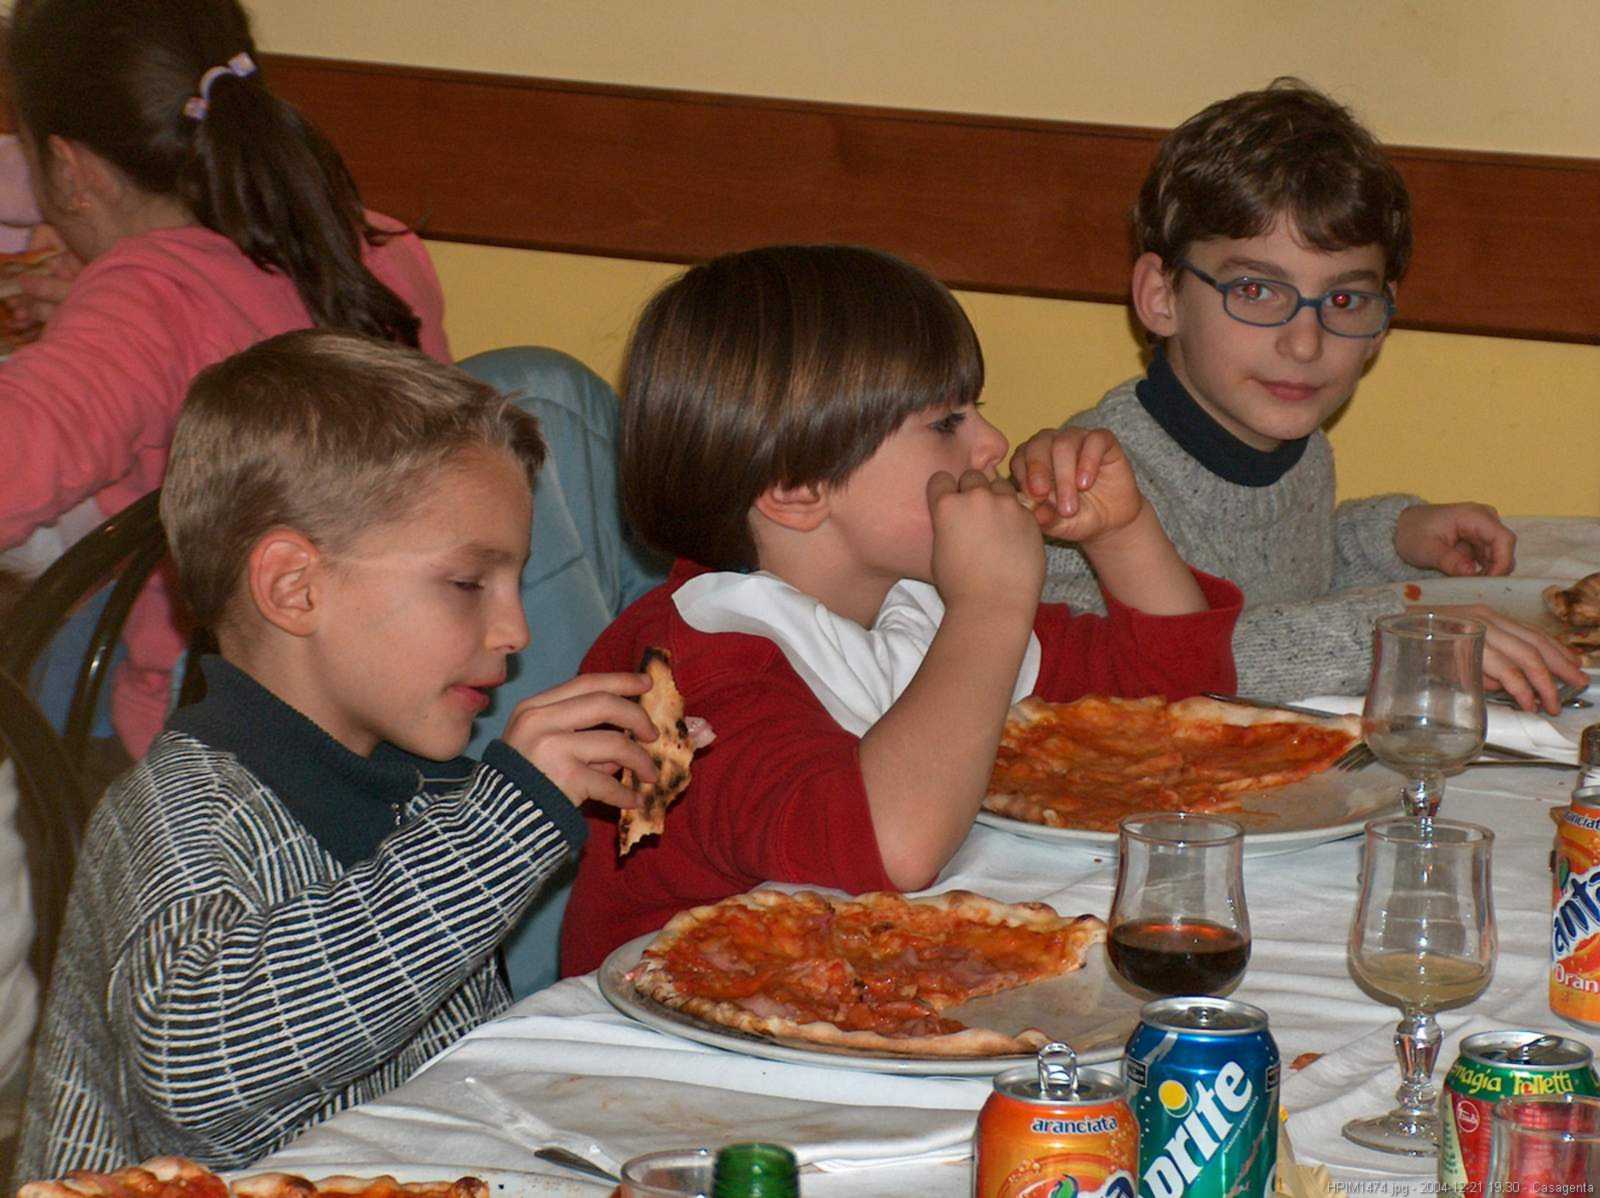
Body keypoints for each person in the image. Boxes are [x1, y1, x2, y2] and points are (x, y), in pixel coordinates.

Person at [15, 330, 664, 1176]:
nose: (515, 630)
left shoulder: (421, 787)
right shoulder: (180, 814)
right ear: (295, 588)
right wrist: (497, 834)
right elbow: (201, 1073)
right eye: (468, 584)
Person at [559, 244, 1244, 977]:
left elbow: (1179, 704)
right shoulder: (685, 673)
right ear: (796, 487)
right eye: (947, 423)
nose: (992, 444)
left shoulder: (912, 604)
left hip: (855, 989)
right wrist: (989, 607)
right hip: (658, 1021)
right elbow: (891, 847)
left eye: (977, 411)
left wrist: (1121, 533)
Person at [1032, 78, 1584, 712]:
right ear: (1162, 297)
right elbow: (1149, 665)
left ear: (1382, 322)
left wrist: (1390, 538)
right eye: (1256, 291)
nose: (1304, 343)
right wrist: (1393, 639)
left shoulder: (1297, 445)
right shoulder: (1084, 490)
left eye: (1344, 299)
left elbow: (1276, 585)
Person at [0, 0, 451, 760]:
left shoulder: (146, 304)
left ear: (70, 174)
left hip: (215, 755)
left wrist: (109, 310)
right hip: (387, 703)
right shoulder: (373, 245)